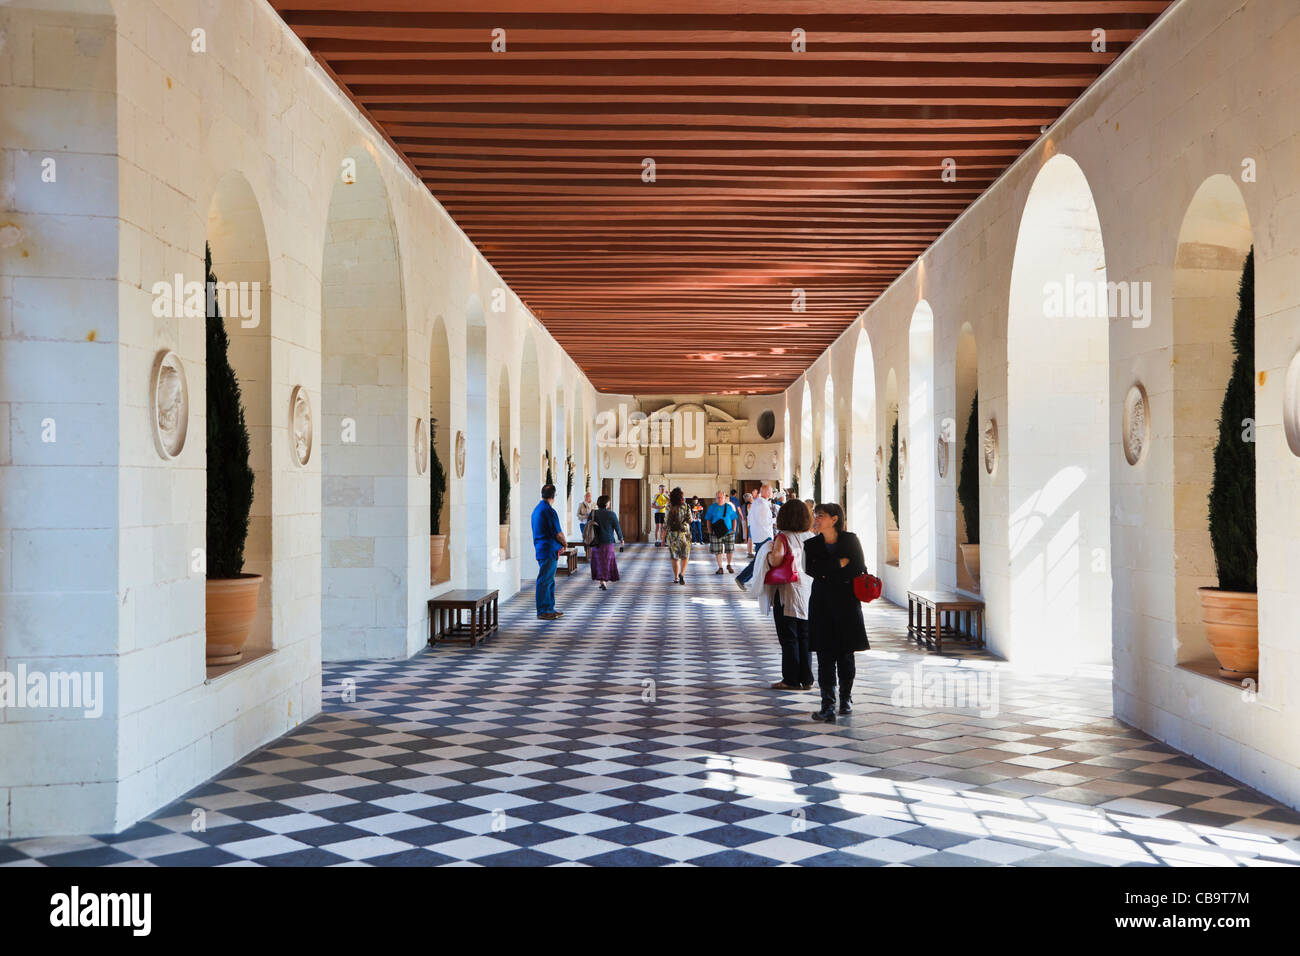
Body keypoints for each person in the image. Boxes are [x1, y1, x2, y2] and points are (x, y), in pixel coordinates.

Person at [804, 502, 870, 722]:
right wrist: (839, 564)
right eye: (816, 515)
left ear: (834, 519)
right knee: (824, 655)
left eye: (820, 515)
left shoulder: (850, 540)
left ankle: (846, 700)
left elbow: (858, 567)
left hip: (847, 604)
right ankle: (827, 705)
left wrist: (829, 570)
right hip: (822, 604)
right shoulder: (811, 544)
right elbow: (811, 570)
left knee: (845, 655)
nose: (816, 519)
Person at [754, 500, 815, 690]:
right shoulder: (810, 535)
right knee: (805, 636)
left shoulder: (783, 537)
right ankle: (807, 679)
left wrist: (768, 553)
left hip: (788, 591)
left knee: (788, 637)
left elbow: (775, 560)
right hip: (807, 589)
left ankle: (790, 679)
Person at [531, 484, 567, 621]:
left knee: (549, 580)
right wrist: (565, 543)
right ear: (553, 496)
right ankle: (543, 610)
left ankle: (549, 608)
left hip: (543, 549)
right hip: (548, 550)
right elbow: (558, 533)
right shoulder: (549, 511)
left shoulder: (537, 510)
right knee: (545, 580)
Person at [734, 483, 775, 591]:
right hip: (764, 536)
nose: (772, 493)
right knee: (760, 560)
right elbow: (764, 522)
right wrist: (776, 520)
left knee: (761, 560)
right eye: (770, 491)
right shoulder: (761, 504)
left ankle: (747, 579)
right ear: (765, 492)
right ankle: (742, 578)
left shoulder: (758, 502)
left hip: (760, 535)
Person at [587, 494, 623, 590]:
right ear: (607, 503)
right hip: (607, 542)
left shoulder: (593, 513)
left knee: (598, 562)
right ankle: (603, 581)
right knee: (606, 562)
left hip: (595, 541)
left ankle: (602, 581)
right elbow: (617, 527)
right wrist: (621, 539)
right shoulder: (611, 514)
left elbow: (588, 527)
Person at [704, 490, 740, 574]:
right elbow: (708, 519)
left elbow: (734, 518)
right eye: (718, 497)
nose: (720, 499)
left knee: (730, 549)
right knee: (718, 551)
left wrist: (734, 529)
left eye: (721, 497)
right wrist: (709, 530)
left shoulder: (729, 507)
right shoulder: (712, 507)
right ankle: (720, 567)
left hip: (729, 531)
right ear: (716, 498)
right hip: (716, 532)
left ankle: (729, 564)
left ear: (724, 498)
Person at [664, 487, 693, 585]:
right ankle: (682, 574)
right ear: (681, 496)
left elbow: (666, 523)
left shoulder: (669, 507)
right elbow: (690, 520)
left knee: (674, 557)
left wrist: (662, 538)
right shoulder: (686, 506)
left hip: (673, 535)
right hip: (685, 534)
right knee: (685, 556)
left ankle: (676, 577)